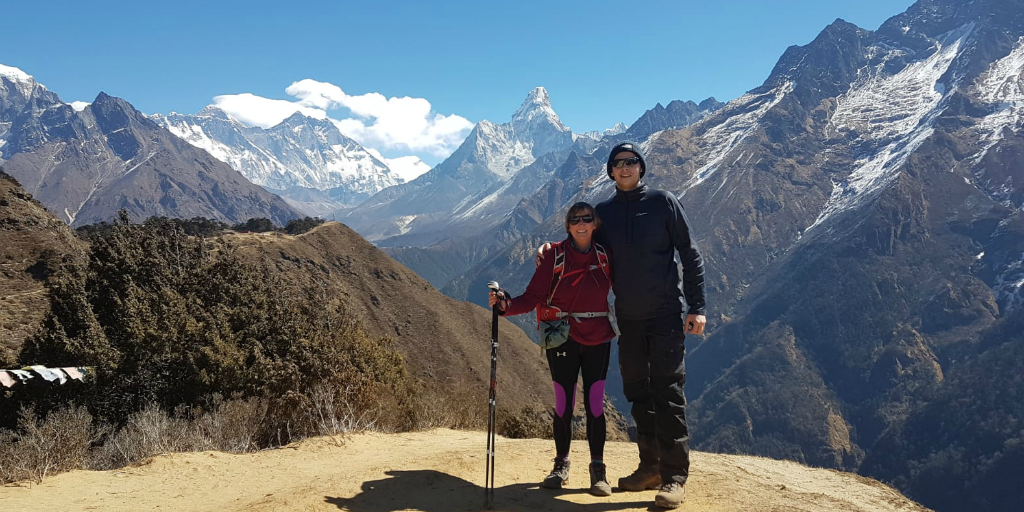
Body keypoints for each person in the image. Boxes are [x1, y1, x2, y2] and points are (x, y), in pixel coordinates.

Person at [537, 141, 706, 509]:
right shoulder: (604, 213)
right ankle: (650, 467)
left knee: (668, 391)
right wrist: (548, 250)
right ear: (610, 171)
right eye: (618, 163)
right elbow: (578, 240)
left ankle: (675, 475)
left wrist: (698, 306)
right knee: (637, 391)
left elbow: (689, 252)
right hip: (627, 319)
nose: (625, 167)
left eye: (631, 162)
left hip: (664, 315)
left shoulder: (663, 202)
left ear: (640, 168)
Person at [489, 202, 616, 497]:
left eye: (587, 218)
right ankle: (561, 465)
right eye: (575, 219)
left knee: (595, 404)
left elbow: (627, 286)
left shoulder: (606, 255)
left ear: (595, 224)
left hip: (598, 337)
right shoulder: (554, 256)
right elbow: (533, 296)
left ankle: (598, 469)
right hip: (563, 338)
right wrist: (506, 307)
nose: (581, 223)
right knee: (564, 404)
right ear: (568, 225)